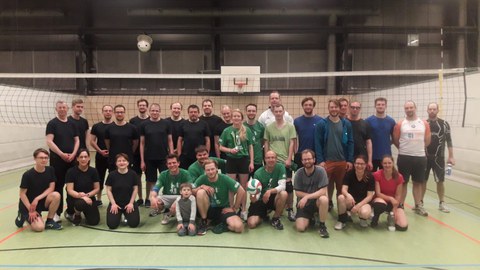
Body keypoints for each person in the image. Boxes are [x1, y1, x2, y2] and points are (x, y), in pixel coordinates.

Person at [314, 98, 354, 212]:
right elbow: (318, 143)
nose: (334, 109)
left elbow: (351, 142)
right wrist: (321, 160)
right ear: (328, 108)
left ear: (339, 108)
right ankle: (328, 203)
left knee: (341, 186)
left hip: (342, 160)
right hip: (327, 161)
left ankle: (341, 211)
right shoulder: (322, 124)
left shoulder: (346, 124)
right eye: (332, 107)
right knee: (326, 185)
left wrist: (350, 160)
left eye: (336, 107)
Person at [393, 100, 431, 216]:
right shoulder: (400, 124)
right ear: (405, 110)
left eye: (411, 107)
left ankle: (418, 205)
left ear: (415, 108)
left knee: (418, 182)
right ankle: (400, 204)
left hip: (420, 157)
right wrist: (405, 149)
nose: (409, 110)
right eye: (407, 108)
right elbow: (396, 140)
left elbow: (428, 140)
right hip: (404, 157)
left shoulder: (424, 123)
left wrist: (417, 148)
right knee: (403, 182)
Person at [46, 100, 79, 220]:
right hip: (58, 160)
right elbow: (49, 141)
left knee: (72, 186)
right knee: (58, 186)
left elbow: (77, 140)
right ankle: (57, 213)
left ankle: (70, 211)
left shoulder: (72, 124)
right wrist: (61, 154)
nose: (62, 109)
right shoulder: (52, 124)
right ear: (56, 109)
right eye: (60, 107)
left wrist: (74, 153)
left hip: (72, 160)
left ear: (67, 109)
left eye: (64, 107)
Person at [219, 109, 254, 220]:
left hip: (244, 160)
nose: (236, 118)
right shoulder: (227, 131)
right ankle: (231, 208)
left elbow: (250, 147)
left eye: (238, 116)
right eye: (234, 116)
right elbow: (220, 147)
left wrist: (251, 162)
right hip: (231, 160)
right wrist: (230, 150)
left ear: (241, 118)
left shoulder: (246, 130)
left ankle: (243, 209)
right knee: (231, 186)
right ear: (232, 118)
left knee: (243, 187)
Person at [193, 160, 245, 235]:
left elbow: (241, 190)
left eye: (212, 169)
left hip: (223, 209)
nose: (210, 172)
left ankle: (222, 224)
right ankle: (204, 221)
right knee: (200, 192)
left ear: (217, 169)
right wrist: (201, 187)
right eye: (208, 170)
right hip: (208, 209)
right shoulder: (202, 178)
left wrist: (234, 208)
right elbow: (191, 190)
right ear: (204, 171)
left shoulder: (224, 178)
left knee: (238, 227)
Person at [15, 148, 62, 231]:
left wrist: (37, 198)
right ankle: (22, 215)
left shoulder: (50, 170)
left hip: (40, 201)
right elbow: (22, 194)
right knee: (39, 228)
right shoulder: (27, 175)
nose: (44, 160)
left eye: (46, 158)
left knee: (56, 195)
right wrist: (31, 210)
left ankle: (50, 221)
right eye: (41, 158)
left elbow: (51, 188)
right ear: (35, 158)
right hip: (29, 205)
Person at [264, 104, 297, 221]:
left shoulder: (290, 127)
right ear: (273, 112)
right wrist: (266, 158)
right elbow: (266, 143)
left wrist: (289, 158)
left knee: (288, 185)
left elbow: (292, 143)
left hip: (285, 161)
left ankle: (290, 208)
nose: (278, 113)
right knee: (272, 184)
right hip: (272, 160)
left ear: (283, 112)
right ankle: (271, 206)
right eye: (276, 111)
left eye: (280, 111)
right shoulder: (268, 127)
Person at [139, 103, 174, 207]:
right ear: (149, 111)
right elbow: (142, 143)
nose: (154, 112)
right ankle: (151, 200)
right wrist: (142, 160)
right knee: (151, 180)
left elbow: (170, 141)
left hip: (164, 157)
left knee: (166, 179)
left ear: (160, 111)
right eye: (153, 111)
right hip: (149, 158)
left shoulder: (166, 123)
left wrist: (171, 155)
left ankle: (166, 200)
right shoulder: (144, 125)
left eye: (156, 111)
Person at [425, 102, 455, 213]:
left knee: (440, 181)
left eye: (434, 109)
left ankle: (442, 203)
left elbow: (449, 140)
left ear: (438, 110)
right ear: (427, 110)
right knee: (422, 181)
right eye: (430, 109)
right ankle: (420, 203)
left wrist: (451, 156)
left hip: (439, 158)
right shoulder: (423, 123)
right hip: (424, 157)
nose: (432, 111)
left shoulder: (444, 124)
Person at [247, 151, 287, 230]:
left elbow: (282, 186)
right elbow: (255, 196)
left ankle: (275, 218)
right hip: (262, 199)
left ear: (276, 159)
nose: (270, 160)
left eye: (273, 157)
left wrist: (269, 191)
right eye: (268, 158)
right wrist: (253, 195)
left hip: (273, 197)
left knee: (283, 194)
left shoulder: (281, 167)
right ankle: (263, 215)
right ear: (265, 159)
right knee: (251, 224)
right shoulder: (258, 173)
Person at [294, 150, 329, 238]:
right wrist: (306, 198)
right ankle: (312, 218)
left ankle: (322, 226)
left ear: (314, 160)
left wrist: (307, 197)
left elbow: (323, 191)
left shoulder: (321, 171)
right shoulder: (299, 173)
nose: (307, 161)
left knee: (324, 199)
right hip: (304, 204)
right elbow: (297, 192)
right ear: (302, 161)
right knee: (300, 228)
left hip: (317, 202)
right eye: (304, 159)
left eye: (309, 159)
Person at [148, 154, 193, 223]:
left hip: (181, 196)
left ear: (178, 163)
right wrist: (153, 197)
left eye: (174, 163)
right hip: (168, 196)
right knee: (156, 201)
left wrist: (177, 202)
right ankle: (166, 212)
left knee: (186, 200)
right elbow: (156, 188)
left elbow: (189, 190)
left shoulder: (185, 173)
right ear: (167, 165)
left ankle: (173, 213)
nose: (172, 165)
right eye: (169, 163)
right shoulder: (163, 174)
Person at [334, 155, 374, 230]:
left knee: (364, 213)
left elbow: (369, 196)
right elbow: (343, 189)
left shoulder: (370, 177)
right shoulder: (349, 173)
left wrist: (358, 206)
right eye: (357, 163)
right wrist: (348, 195)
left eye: (362, 164)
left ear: (365, 165)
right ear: (354, 164)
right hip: (351, 201)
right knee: (341, 197)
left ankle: (363, 219)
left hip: (363, 202)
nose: (359, 166)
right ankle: (342, 220)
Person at [372, 155, 408, 231]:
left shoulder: (399, 177)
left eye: (389, 163)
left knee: (403, 226)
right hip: (381, 199)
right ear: (381, 164)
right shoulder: (377, 174)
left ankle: (390, 217)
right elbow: (378, 193)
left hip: (394, 202)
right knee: (379, 204)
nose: (387, 165)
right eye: (385, 163)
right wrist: (390, 198)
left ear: (393, 163)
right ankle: (375, 217)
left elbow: (398, 195)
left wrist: (394, 209)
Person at [65, 149, 101, 226]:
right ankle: (76, 214)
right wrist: (81, 196)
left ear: (89, 158)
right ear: (77, 158)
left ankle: (84, 211)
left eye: (85, 157)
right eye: (81, 157)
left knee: (94, 222)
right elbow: (69, 190)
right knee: (81, 203)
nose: (83, 159)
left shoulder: (93, 171)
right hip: (75, 198)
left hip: (89, 197)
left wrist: (87, 195)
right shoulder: (71, 172)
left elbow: (97, 188)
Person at [105, 153, 140, 229]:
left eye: (124, 160)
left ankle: (126, 215)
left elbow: (135, 189)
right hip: (116, 204)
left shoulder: (133, 174)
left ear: (128, 163)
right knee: (112, 225)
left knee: (134, 224)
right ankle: (120, 215)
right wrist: (113, 204)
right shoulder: (111, 175)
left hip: (129, 203)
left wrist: (131, 203)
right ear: (116, 163)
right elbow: (108, 190)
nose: (121, 162)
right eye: (119, 161)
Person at [90, 104, 113, 206]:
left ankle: (114, 198)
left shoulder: (115, 126)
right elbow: (92, 141)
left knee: (114, 177)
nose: (108, 112)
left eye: (109, 110)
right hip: (100, 156)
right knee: (99, 178)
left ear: (112, 112)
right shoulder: (96, 126)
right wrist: (100, 151)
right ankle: (98, 199)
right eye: (106, 110)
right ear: (103, 112)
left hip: (113, 157)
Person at [105, 105, 139, 171]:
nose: (119, 114)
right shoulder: (109, 128)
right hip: (113, 158)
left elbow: (135, 142)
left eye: (121, 112)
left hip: (128, 158)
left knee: (128, 178)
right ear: (114, 113)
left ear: (124, 113)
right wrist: (112, 150)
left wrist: (130, 151)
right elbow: (107, 142)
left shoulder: (132, 128)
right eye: (117, 112)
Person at [365, 97, 396, 171]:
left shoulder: (391, 121)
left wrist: (386, 143)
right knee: (371, 178)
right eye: (378, 104)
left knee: (386, 178)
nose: (380, 106)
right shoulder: (368, 121)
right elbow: (365, 139)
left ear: (386, 106)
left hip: (386, 156)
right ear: (375, 106)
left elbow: (394, 137)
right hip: (372, 156)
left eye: (382, 104)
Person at [129, 98, 150, 206]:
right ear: (138, 107)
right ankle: (140, 198)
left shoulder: (151, 119)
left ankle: (148, 198)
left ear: (147, 107)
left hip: (149, 153)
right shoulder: (133, 121)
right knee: (137, 176)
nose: (142, 107)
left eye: (144, 105)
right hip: (135, 154)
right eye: (140, 105)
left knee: (149, 177)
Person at [177, 104, 210, 169]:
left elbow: (207, 140)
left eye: (195, 112)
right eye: (191, 112)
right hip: (186, 155)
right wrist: (179, 154)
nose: (193, 114)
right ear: (188, 113)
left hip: (201, 156)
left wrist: (206, 154)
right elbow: (179, 140)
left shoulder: (204, 124)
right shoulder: (183, 124)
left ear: (198, 113)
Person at [294, 97, 322, 168]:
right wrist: (295, 152)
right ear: (302, 106)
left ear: (313, 106)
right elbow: (293, 138)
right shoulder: (297, 121)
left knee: (315, 177)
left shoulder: (320, 121)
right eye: (306, 105)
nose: (308, 107)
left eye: (310, 105)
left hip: (316, 155)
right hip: (301, 154)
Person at [347, 101, 373, 170]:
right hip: (347, 157)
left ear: (360, 109)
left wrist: (369, 160)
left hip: (361, 157)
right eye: (352, 107)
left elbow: (368, 142)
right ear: (349, 108)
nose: (355, 109)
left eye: (357, 108)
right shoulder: (343, 123)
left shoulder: (365, 124)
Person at [244, 103, 265, 177]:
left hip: (257, 160)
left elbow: (262, 142)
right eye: (249, 111)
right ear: (246, 112)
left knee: (257, 184)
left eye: (253, 111)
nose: (251, 113)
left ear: (256, 112)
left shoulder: (261, 127)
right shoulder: (242, 127)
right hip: (245, 160)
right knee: (244, 184)